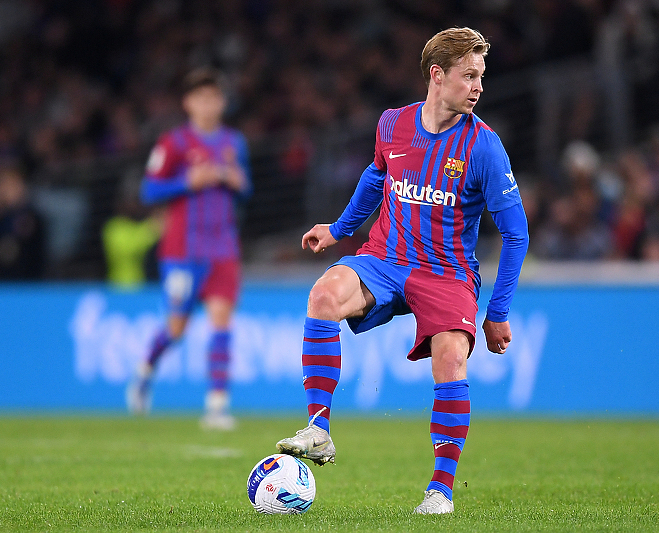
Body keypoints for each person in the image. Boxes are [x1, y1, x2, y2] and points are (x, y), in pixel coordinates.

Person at [274, 28, 529, 514]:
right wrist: (339, 229)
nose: (478, 87)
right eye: (468, 75)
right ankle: (319, 429)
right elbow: (377, 176)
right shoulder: (393, 124)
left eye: (481, 76)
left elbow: (516, 234)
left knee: (452, 356)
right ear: (438, 75)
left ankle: (440, 490)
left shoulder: (485, 147)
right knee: (323, 294)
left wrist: (496, 311)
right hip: (385, 258)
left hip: (446, 273)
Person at [125, 67, 252, 430]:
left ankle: (217, 406)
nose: (208, 104)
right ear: (188, 103)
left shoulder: (234, 143)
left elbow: (246, 190)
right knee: (177, 328)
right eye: (201, 97)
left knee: (221, 322)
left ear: (223, 102)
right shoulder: (173, 143)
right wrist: (187, 181)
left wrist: (238, 181)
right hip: (182, 250)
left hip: (223, 248)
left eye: (214, 97)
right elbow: (149, 191)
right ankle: (145, 369)